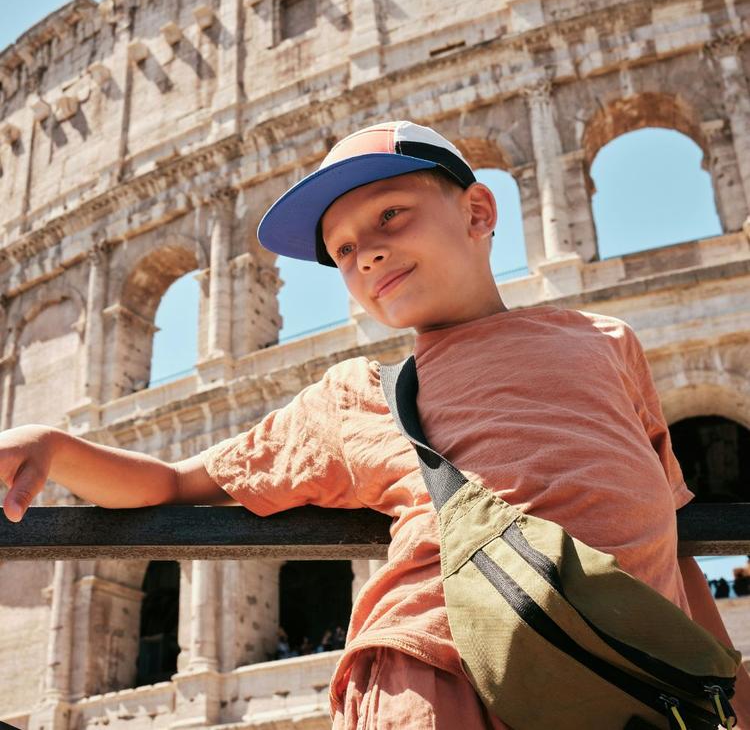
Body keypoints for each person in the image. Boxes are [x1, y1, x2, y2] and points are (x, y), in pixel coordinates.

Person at [0, 121, 748, 729]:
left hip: (612, 673)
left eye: (389, 214)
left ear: (479, 212)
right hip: (429, 676)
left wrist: (728, 681)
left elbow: (668, 534)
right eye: (343, 251)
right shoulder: (357, 393)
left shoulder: (606, 342)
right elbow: (173, 482)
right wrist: (54, 446)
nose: (369, 253)